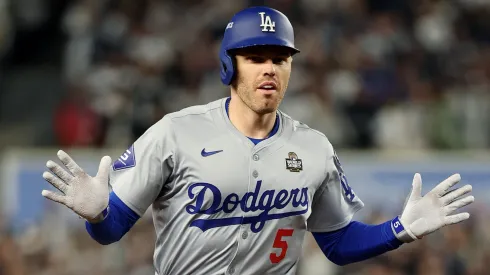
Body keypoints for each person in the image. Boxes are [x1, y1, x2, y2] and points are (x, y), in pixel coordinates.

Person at [41, 6, 475, 275]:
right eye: (256, 58)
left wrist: (400, 230)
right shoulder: (176, 131)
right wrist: (97, 215)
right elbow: (111, 229)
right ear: (230, 67)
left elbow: (338, 244)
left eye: (280, 59)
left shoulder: (315, 147)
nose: (270, 68)